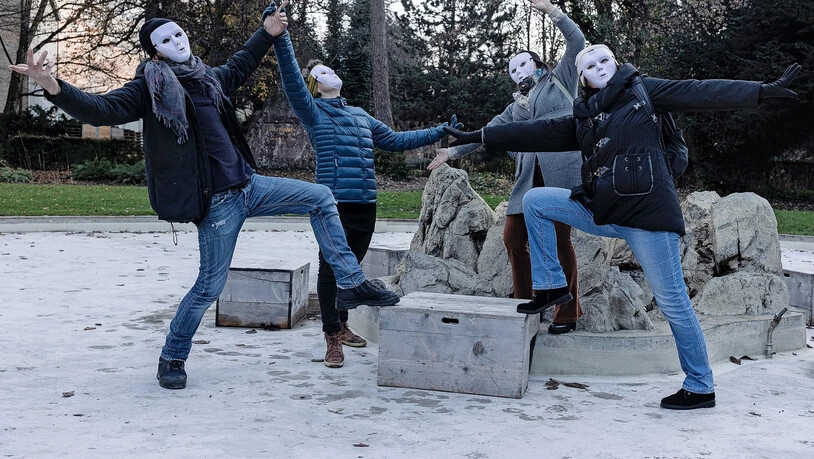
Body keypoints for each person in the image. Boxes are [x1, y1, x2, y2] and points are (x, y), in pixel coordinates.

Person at [9, 1, 400, 390]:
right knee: (209, 287)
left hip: (251, 186)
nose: (177, 40)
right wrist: (53, 87)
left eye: (179, 33)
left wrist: (267, 31)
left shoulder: (209, 77)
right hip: (217, 203)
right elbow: (101, 109)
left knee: (320, 196)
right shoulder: (149, 87)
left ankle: (350, 282)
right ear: (155, 50)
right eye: (166, 38)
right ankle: (172, 356)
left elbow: (242, 62)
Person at [442, 43, 801, 409]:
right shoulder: (585, 115)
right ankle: (551, 287)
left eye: (604, 61)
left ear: (615, 64)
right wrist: (477, 137)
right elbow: (535, 131)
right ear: (583, 77)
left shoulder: (644, 92)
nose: (599, 67)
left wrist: (761, 91)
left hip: (647, 220)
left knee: (674, 304)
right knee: (535, 202)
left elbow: (700, 90)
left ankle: (700, 385)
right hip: (606, 213)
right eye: (590, 65)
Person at [271, 19, 459, 368]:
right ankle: (331, 336)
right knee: (330, 270)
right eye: (320, 71)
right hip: (333, 205)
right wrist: (282, 38)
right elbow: (292, 81)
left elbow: (396, 141)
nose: (328, 72)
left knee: (351, 269)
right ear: (315, 85)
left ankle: (342, 325)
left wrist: (439, 131)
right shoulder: (312, 112)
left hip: (365, 205)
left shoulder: (360, 116)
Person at [428, 0, 585, 334]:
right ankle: (530, 303)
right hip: (527, 179)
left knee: (560, 241)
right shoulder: (514, 108)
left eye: (523, 64)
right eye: (512, 71)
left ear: (537, 63)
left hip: (562, 173)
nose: (518, 72)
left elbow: (577, 43)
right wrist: (451, 153)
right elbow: (487, 134)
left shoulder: (561, 79)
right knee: (513, 238)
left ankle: (567, 312)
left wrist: (552, 12)